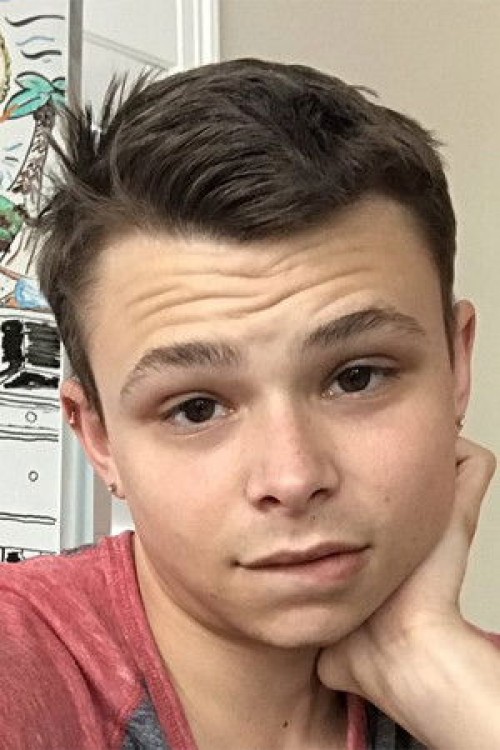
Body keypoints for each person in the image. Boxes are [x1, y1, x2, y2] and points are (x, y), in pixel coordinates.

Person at [0, 58, 497, 750]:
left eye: (357, 378)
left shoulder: (474, 686)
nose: (292, 478)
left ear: (457, 366)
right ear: (100, 440)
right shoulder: (23, 664)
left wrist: (429, 658)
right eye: (196, 409)